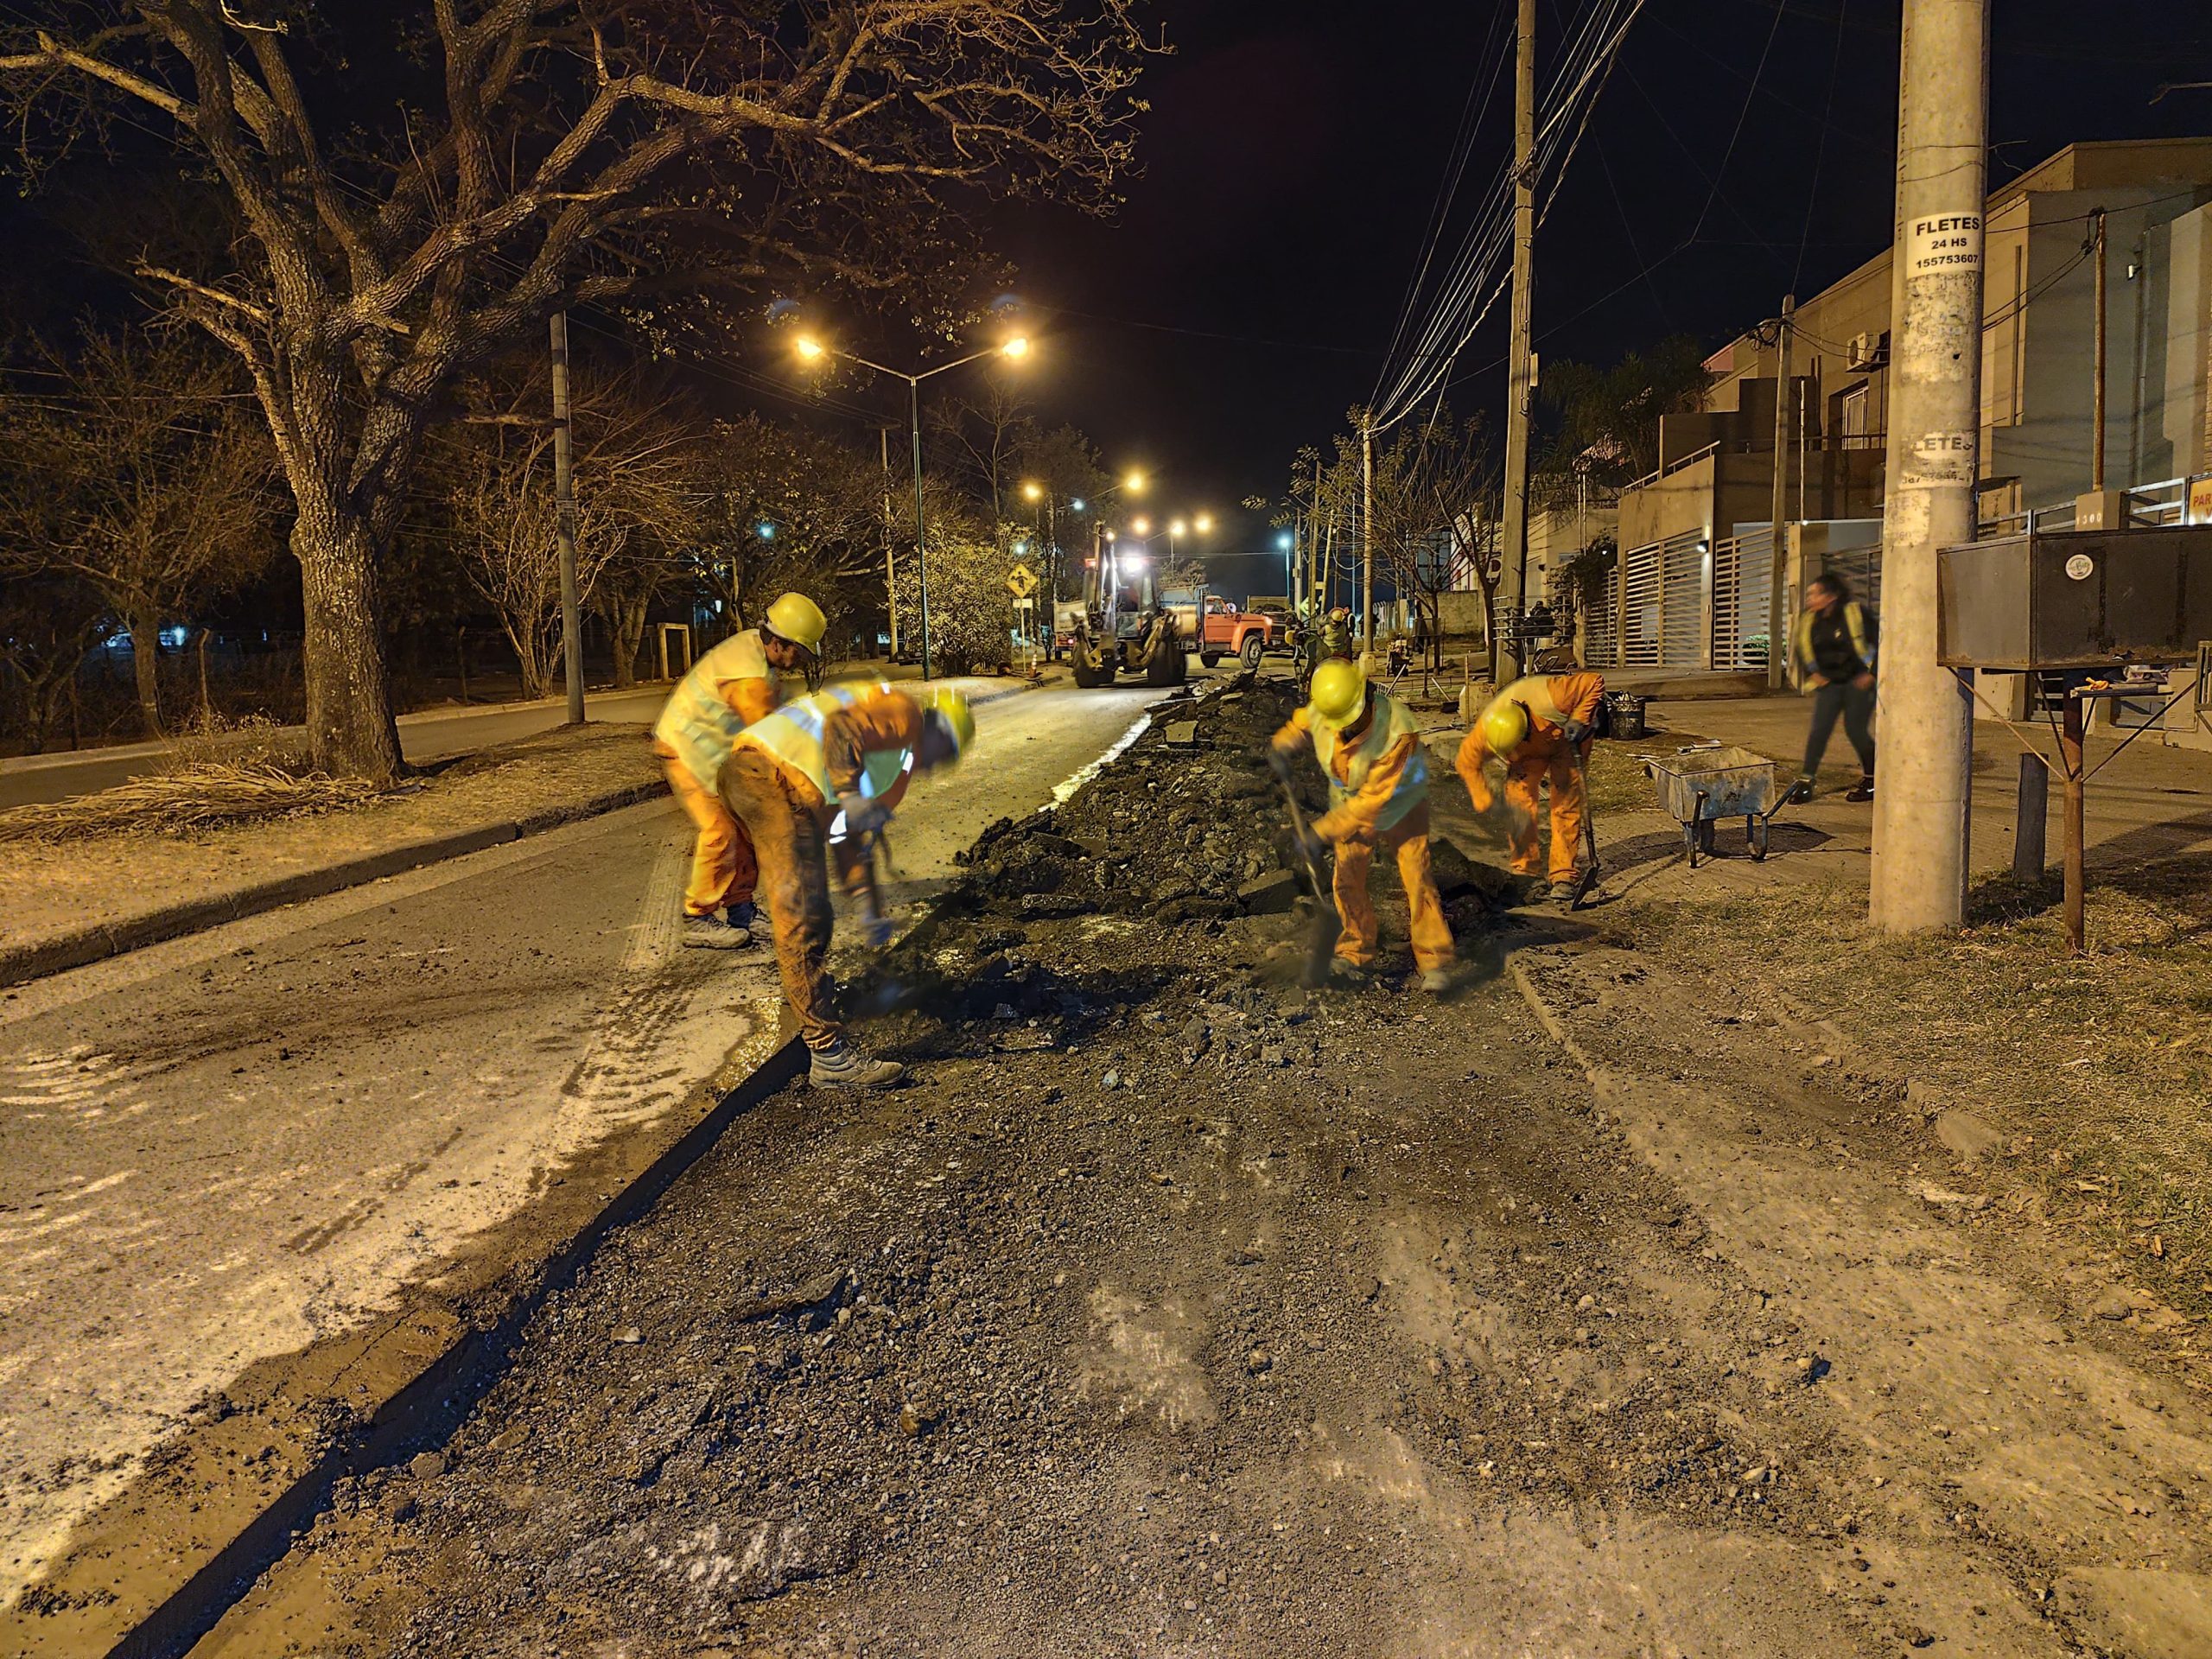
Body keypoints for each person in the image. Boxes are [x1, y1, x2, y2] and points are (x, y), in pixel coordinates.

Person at [721, 679, 974, 1089]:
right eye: (942, 756)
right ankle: (828, 1056)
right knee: (804, 914)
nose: (933, 768)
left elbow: (847, 839)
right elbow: (841, 729)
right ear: (938, 732)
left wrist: (869, 906)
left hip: (764, 777)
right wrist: (849, 794)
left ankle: (810, 1005)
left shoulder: (886, 762)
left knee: (809, 909)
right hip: (769, 778)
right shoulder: (904, 715)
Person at [653, 593, 828, 950]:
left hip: (714, 754)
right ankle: (697, 917)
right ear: (778, 642)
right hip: (687, 750)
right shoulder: (745, 671)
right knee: (721, 832)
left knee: (744, 831)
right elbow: (766, 732)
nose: (797, 662)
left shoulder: (755, 656)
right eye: (797, 652)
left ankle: (741, 910)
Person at [1268, 658, 1455, 993]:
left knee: (1417, 877)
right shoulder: (1330, 704)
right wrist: (1284, 745)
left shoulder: (1398, 730)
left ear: (1367, 694)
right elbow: (1301, 724)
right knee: (1348, 878)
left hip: (1399, 804)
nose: (1345, 730)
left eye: (1351, 723)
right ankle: (1355, 950)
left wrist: (1320, 833)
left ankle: (1434, 960)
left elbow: (1373, 804)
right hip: (1347, 802)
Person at [1456, 663, 1606, 906]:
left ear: (1525, 729)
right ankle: (1525, 870)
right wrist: (1482, 797)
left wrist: (1579, 719)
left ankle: (1563, 875)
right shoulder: (1488, 728)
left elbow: (1594, 681)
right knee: (1518, 804)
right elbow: (1466, 762)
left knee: (1566, 804)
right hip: (1528, 754)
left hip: (1569, 740)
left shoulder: (1553, 696)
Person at [1785, 573, 1878, 804]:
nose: (1809, 599)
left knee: (1855, 730)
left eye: (1814, 594)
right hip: (1830, 683)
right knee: (1819, 731)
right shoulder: (1810, 619)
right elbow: (1800, 649)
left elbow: (1881, 642)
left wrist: (1871, 674)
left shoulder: (1855, 613)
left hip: (1858, 682)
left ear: (1831, 596)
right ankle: (1806, 783)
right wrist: (1813, 674)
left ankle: (1872, 779)